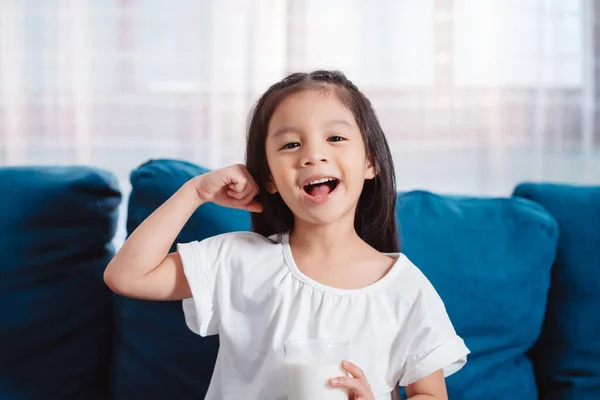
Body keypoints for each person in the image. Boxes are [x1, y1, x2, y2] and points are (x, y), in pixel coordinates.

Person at [104, 70, 470, 400]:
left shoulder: (403, 288)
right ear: (268, 179)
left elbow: (430, 394)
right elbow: (126, 276)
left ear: (370, 162)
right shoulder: (237, 261)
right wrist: (195, 192)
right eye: (291, 144)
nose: (313, 155)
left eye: (336, 137)